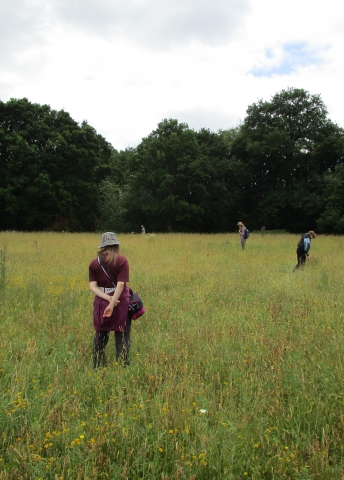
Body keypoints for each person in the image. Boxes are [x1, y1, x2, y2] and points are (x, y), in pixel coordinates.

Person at [89, 232, 131, 367]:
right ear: (115, 245)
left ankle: (97, 364)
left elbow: (92, 286)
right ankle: (122, 365)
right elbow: (120, 285)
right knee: (122, 333)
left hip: (101, 301)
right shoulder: (122, 261)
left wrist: (107, 298)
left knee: (100, 333)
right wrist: (113, 302)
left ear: (103, 246)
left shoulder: (94, 263)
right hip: (121, 301)